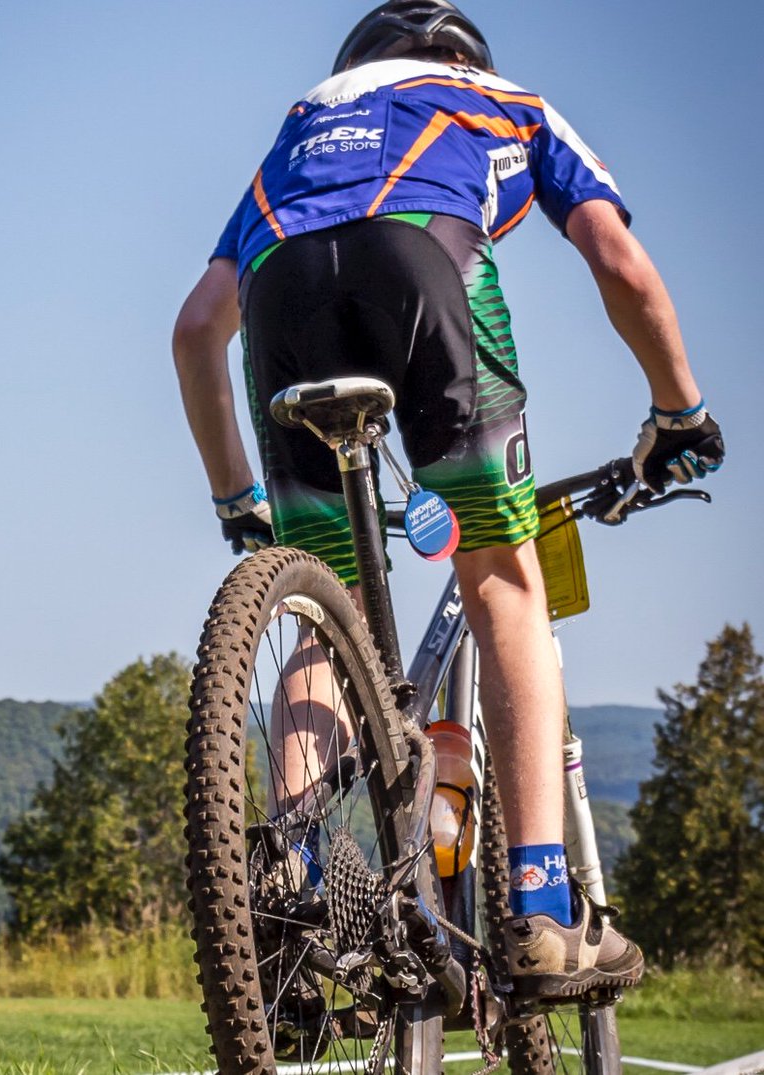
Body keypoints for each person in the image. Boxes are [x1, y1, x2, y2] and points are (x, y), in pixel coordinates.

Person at [172, 0, 724, 1000]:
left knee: (320, 621)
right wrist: (680, 410)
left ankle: (289, 881)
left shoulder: (303, 124)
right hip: (427, 264)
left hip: (283, 299)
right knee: (504, 585)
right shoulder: (506, 100)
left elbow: (197, 325)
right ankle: (542, 910)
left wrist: (234, 500)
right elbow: (617, 260)